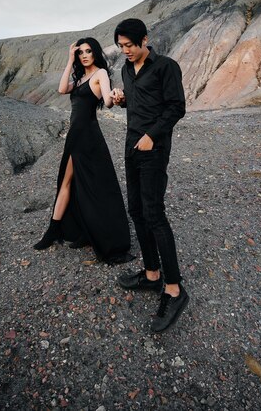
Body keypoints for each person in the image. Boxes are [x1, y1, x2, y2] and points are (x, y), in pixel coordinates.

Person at [111, 18, 189, 333]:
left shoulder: (166, 67)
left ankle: (174, 290)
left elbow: (176, 107)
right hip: (131, 146)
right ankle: (152, 274)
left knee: (154, 215)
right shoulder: (127, 70)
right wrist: (122, 100)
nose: (125, 51)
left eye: (129, 45)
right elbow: (139, 102)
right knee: (136, 211)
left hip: (153, 149)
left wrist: (153, 135)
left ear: (144, 40)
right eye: (121, 47)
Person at [34, 37, 134, 264]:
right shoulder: (80, 78)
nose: (85, 55)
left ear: (95, 53)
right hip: (75, 136)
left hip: (89, 137)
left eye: (88, 51)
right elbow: (61, 89)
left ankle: (103, 237)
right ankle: (56, 230)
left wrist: (116, 96)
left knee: (96, 186)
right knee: (67, 182)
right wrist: (69, 60)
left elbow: (107, 101)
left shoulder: (99, 74)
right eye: (81, 53)